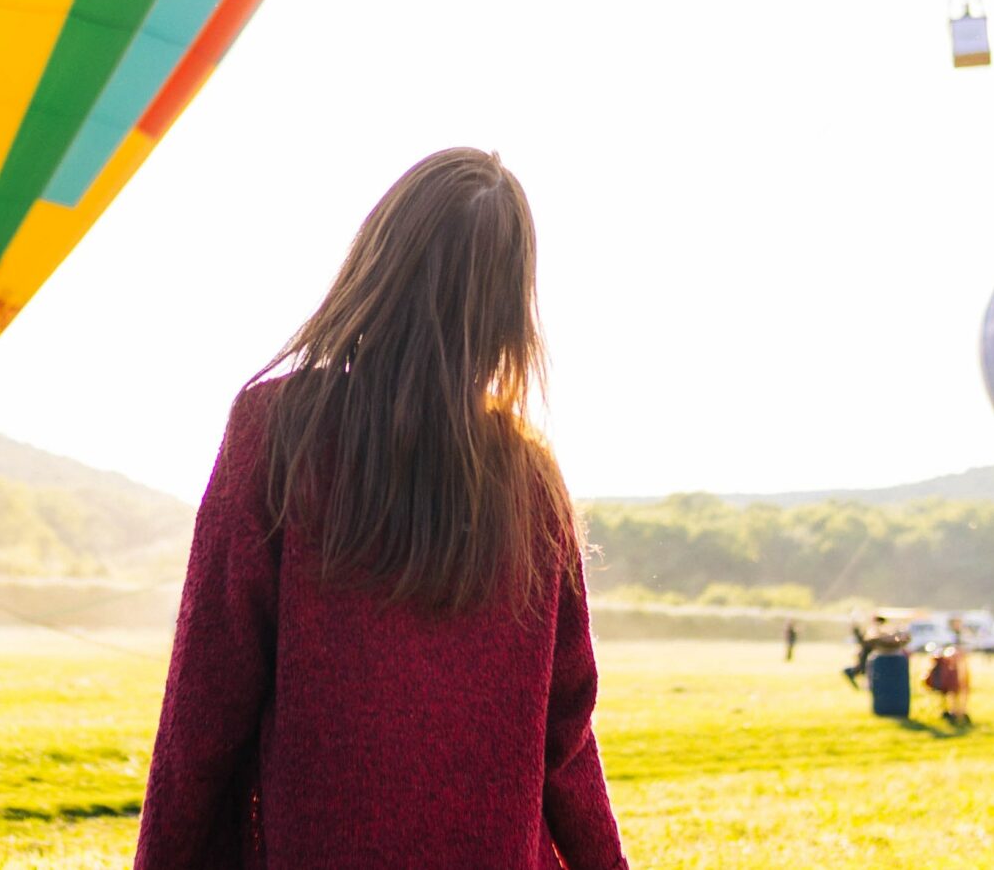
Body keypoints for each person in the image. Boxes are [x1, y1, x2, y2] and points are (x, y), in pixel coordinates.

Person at [135, 149, 630, 870]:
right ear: (507, 308)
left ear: (377, 260)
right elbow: (568, 742)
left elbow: (204, 707)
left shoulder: (277, 432)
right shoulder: (532, 482)